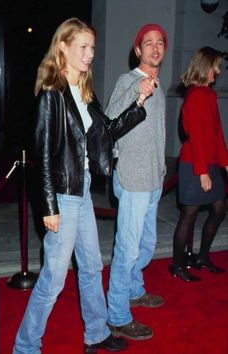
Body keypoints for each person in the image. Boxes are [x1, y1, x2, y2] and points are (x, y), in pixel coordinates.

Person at [12, 17, 153, 354]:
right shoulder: (53, 94)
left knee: (91, 267)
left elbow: (108, 132)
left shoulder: (84, 93)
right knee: (53, 279)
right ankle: (25, 346)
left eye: (92, 47)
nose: (90, 54)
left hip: (82, 189)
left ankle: (96, 334)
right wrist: (49, 208)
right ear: (63, 47)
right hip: (62, 194)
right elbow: (42, 155)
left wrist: (139, 103)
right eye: (83, 47)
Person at [105, 23, 168, 340]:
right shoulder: (128, 81)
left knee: (145, 246)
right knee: (127, 251)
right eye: (148, 43)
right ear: (138, 50)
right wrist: (136, 93)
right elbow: (110, 120)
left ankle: (134, 290)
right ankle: (117, 315)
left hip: (153, 178)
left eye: (160, 43)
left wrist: (161, 171)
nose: (155, 48)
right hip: (132, 179)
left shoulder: (160, 84)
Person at [169, 47, 228, 282]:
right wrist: (202, 172)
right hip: (194, 163)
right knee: (189, 215)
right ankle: (177, 266)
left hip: (209, 162)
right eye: (216, 65)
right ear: (206, 66)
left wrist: (225, 162)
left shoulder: (209, 95)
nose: (219, 70)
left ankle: (202, 257)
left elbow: (216, 134)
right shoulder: (195, 95)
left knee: (219, 210)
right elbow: (197, 137)